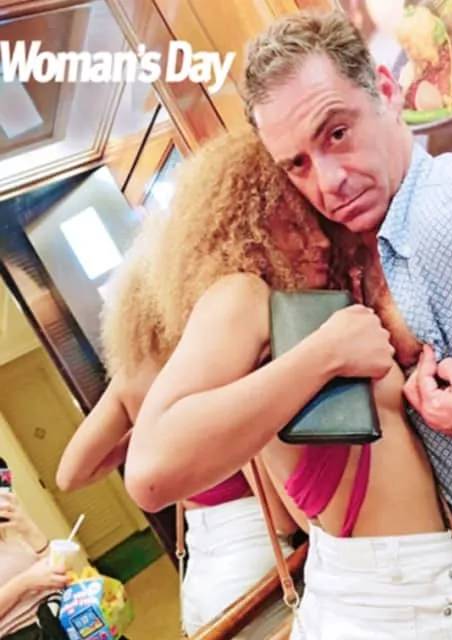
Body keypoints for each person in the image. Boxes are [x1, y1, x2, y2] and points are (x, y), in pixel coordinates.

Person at [121, 128, 452, 638]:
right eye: (292, 224)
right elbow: (148, 473)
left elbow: (295, 509)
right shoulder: (242, 294)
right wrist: (326, 355)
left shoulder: (291, 312)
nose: (317, 241)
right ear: (246, 225)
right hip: (395, 605)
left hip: (390, 587)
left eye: (315, 221)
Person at [241, 8, 452, 638]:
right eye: (298, 164)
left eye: (337, 133)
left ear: (386, 89)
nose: (328, 182)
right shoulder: (381, 242)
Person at [55, 186, 298, 638]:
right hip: (252, 549)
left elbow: (70, 474)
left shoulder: (130, 379)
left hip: (198, 570)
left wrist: (144, 435)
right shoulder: (216, 361)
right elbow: (282, 516)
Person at [0, 491, 69, 640]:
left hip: (63, 616)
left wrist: (30, 530)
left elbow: (59, 572)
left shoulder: (11, 536)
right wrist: (26, 582)